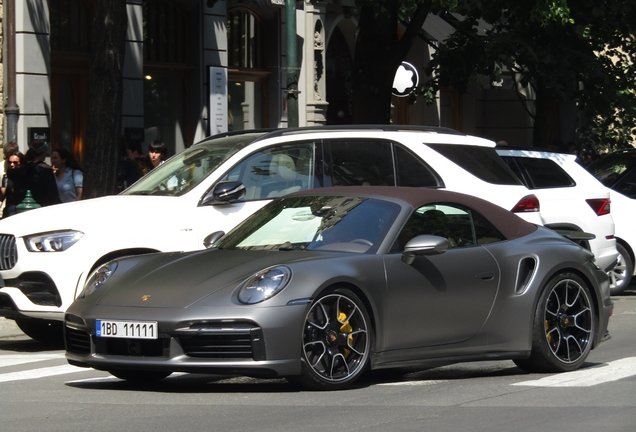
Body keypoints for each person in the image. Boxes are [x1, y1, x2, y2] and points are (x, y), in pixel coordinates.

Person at [23, 140, 62, 207]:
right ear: (43, 152)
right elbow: (52, 193)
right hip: (44, 206)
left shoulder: (25, 167)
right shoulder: (45, 169)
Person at [0, 152, 27, 217]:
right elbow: (2, 196)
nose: (12, 165)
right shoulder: (7, 177)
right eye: (10, 162)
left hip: (22, 211)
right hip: (9, 212)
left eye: (15, 163)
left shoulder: (26, 177)